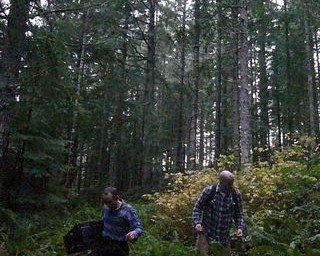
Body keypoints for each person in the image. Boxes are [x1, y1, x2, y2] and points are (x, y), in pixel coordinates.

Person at [192, 170, 244, 255]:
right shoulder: (209, 191)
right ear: (221, 182)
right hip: (205, 236)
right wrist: (197, 223)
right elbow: (197, 208)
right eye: (228, 184)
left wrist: (240, 228)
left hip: (224, 239)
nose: (231, 186)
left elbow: (239, 215)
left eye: (232, 184)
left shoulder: (236, 195)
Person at [93, 186, 143, 256]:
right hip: (104, 244)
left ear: (116, 198)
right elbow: (102, 222)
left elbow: (138, 228)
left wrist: (134, 233)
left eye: (110, 202)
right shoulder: (105, 207)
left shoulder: (128, 210)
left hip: (119, 247)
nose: (107, 205)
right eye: (105, 202)